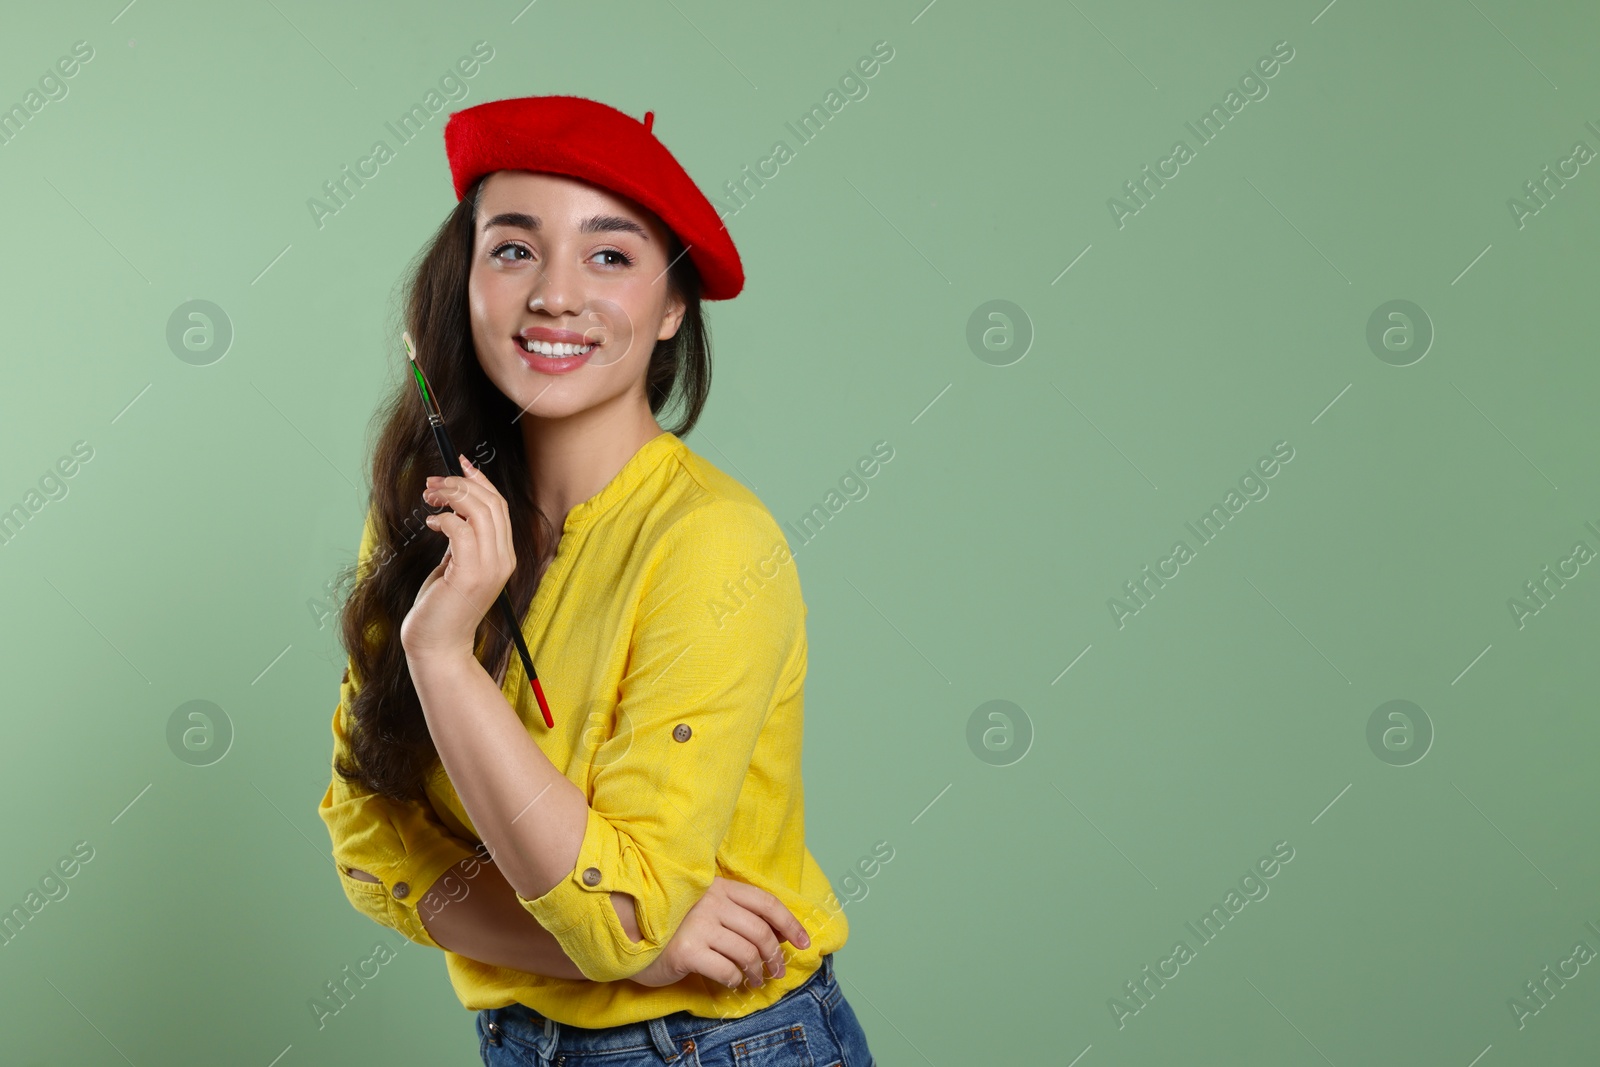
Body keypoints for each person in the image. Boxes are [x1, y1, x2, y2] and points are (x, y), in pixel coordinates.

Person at [316, 94, 877, 1067]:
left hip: (724, 1041)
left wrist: (443, 656)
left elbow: (622, 915)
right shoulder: (426, 518)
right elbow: (370, 848)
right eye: (514, 248)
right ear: (462, 285)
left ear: (671, 307)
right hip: (519, 1040)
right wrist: (624, 939)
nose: (556, 294)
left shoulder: (713, 543)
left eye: (609, 255)